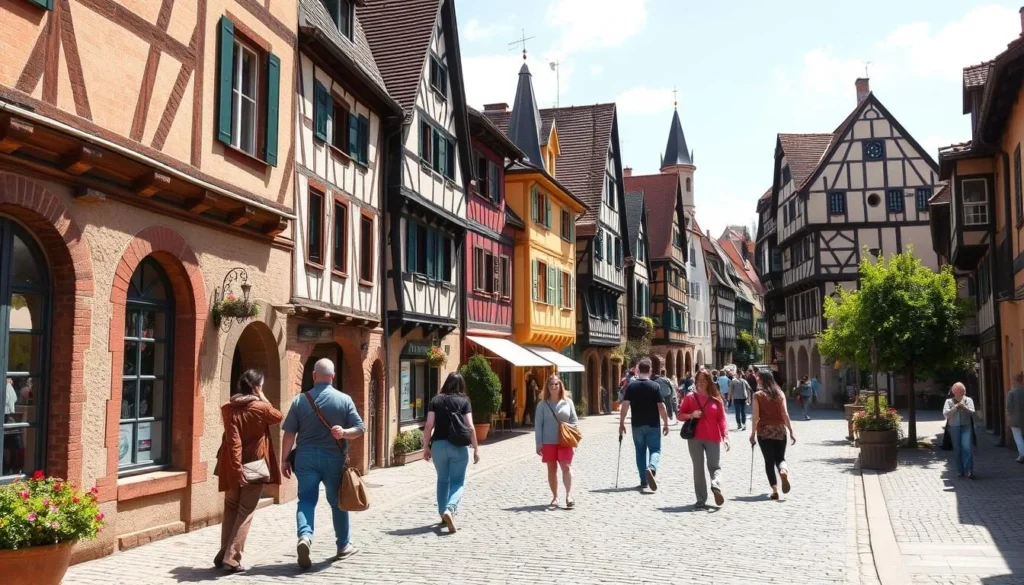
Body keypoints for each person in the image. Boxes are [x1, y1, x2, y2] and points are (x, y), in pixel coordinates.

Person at [281, 358, 365, 569]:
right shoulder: (344, 399)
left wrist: (283, 459)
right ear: (333, 376)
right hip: (333, 458)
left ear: (313, 375)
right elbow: (360, 428)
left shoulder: (300, 400)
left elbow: (289, 433)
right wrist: (344, 432)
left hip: (305, 458)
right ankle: (343, 545)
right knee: (338, 502)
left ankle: (305, 537)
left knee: (306, 500)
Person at [214, 369, 283, 572]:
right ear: (256, 387)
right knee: (245, 512)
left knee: (231, 509)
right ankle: (232, 558)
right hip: (253, 467)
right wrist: (263, 398)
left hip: (231, 466)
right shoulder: (261, 408)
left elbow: (233, 441)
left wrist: (235, 469)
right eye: (261, 385)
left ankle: (223, 554)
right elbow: (278, 416)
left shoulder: (228, 408)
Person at [423, 372, 480, 532]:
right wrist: (476, 448)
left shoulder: (436, 400)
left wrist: (426, 446)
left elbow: (429, 425)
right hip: (458, 446)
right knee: (457, 482)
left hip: (439, 446)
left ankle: (442, 515)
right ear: (462, 386)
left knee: (442, 480)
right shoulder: (464, 401)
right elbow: (470, 426)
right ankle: (450, 509)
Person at [678, 370, 730, 508]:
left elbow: (722, 419)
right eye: (698, 381)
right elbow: (680, 415)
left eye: (703, 380)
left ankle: (716, 485)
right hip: (695, 438)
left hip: (713, 437)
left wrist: (726, 436)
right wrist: (691, 415)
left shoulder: (716, 399)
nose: (700, 383)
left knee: (715, 466)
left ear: (709, 381)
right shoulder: (690, 397)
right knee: (698, 468)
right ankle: (701, 499)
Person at [618, 358, 669, 491]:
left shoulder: (631, 386)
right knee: (655, 450)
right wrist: (666, 423)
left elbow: (624, 406)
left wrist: (621, 423)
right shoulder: (654, 386)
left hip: (637, 425)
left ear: (638, 370)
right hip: (653, 424)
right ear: (650, 371)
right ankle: (651, 467)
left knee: (640, 452)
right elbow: (661, 406)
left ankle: (643, 480)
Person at [749, 370, 796, 499]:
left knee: (769, 461)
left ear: (763, 380)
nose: (757, 380)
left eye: (758, 379)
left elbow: (755, 417)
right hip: (780, 430)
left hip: (764, 431)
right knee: (780, 458)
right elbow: (785, 414)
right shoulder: (780, 394)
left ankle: (775, 490)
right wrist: (791, 431)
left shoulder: (758, 395)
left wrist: (753, 433)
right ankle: (783, 471)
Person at [535, 375, 579, 507]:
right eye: (551, 385)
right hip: (548, 442)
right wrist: (538, 444)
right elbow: (538, 425)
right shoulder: (542, 405)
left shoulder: (568, 402)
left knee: (566, 467)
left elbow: (574, 420)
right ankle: (555, 497)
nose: (554, 387)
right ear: (547, 387)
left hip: (565, 441)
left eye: (556, 384)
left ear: (560, 386)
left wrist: (572, 437)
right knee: (551, 470)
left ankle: (569, 495)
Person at [943, 382, 976, 479]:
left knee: (967, 448)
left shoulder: (968, 400)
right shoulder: (949, 401)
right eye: (957, 391)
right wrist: (955, 407)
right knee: (957, 449)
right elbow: (946, 414)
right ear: (953, 392)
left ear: (964, 391)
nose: (959, 393)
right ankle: (960, 470)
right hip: (954, 427)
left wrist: (964, 407)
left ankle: (969, 470)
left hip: (966, 426)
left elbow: (972, 412)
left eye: (961, 391)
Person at [1008, 373, 1024, 463]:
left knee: (1018, 436)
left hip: (1015, 419)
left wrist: (1008, 417)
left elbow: (1009, 407)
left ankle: (1022, 454)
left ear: (1015, 381)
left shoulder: (1012, 393)